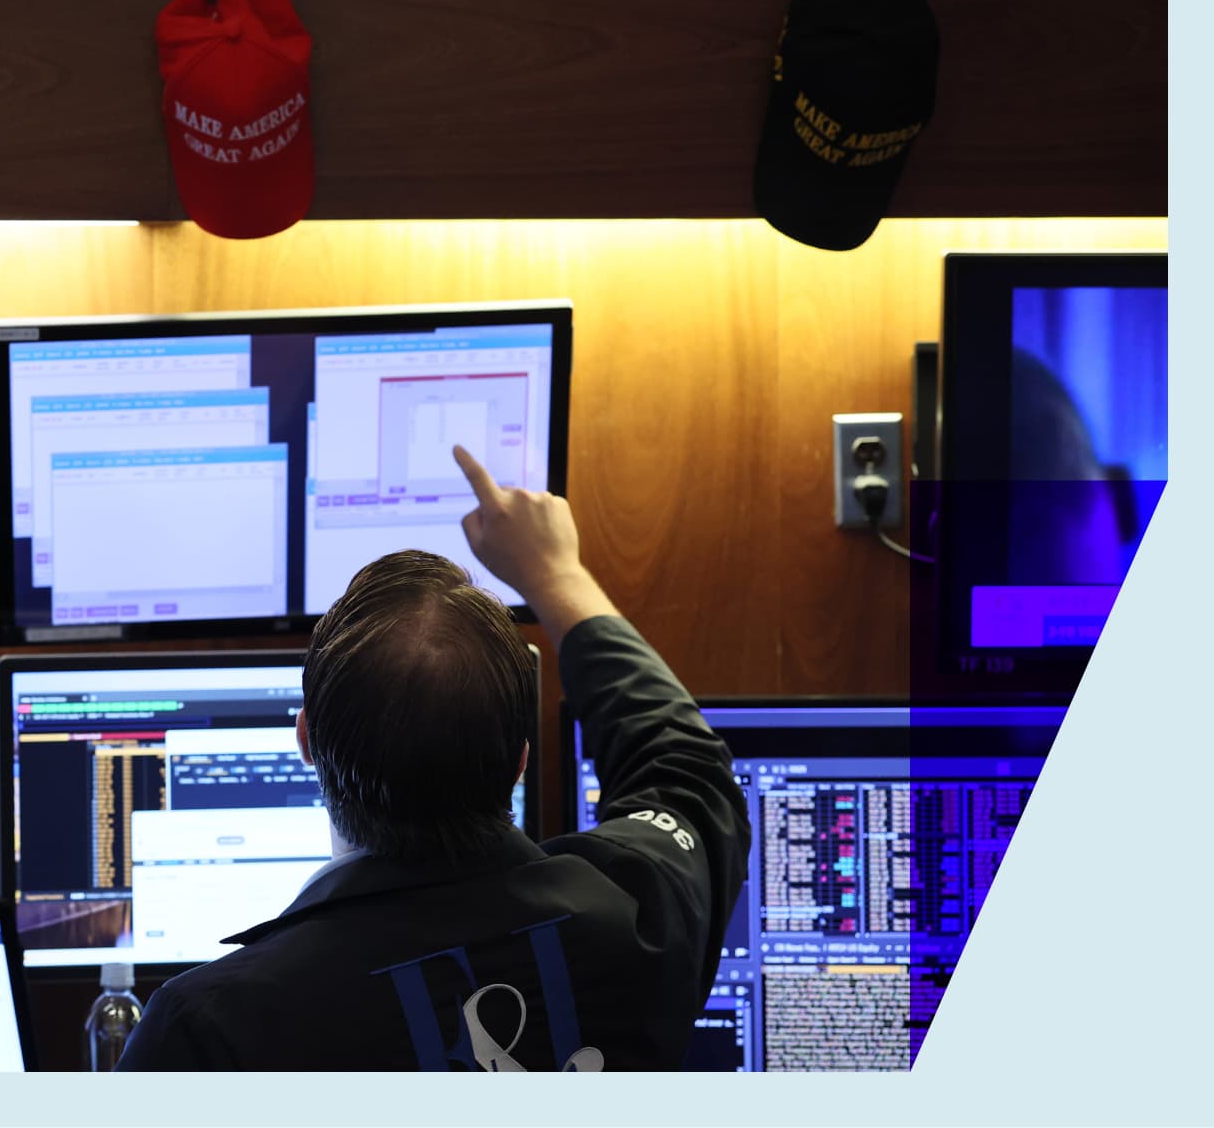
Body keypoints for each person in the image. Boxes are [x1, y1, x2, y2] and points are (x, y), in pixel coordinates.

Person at [115, 446, 750, 1071]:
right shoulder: (643, 919)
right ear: (520, 759)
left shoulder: (208, 1030)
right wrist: (555, 574)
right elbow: (686, 767)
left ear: (307, 741)